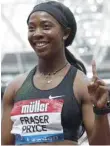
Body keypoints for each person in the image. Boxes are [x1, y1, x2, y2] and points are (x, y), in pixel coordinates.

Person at [1, 1, 110, 145]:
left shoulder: (82, 85)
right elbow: (6, 143)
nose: (37, 33)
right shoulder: (15, 88)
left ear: (65, 33)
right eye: (31, 28)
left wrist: (100, 110)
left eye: (46, 27)